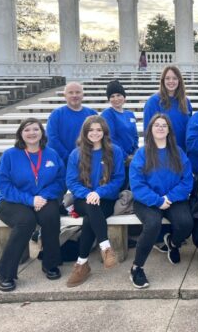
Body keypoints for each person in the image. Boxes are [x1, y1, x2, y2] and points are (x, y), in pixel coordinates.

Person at [0, 118, 66, 292]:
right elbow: (4, 186)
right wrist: (30, 200)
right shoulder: (9, 155)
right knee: (25, 222)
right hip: (10, 200)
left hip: (42, 198)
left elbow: (60, 181)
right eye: (27, 130)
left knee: (51, 216)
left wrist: (43, 196)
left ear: (42, 133)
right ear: (20, 134)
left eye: (36, 129)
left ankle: (50, 264)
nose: (32, 133)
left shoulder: (51, 154)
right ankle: (5, 272)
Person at [129, 114, 193, 289]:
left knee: (186, 223)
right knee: (152, 224)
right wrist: (157, 201)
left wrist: (169, 198)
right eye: (156, 125)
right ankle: (137, 267)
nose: (160, 128)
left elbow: (187, 181)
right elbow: (137, 184)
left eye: (164, 125)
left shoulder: (177, 152)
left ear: (169, 130)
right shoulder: (142, 154)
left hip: (173, 198)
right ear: (150, 129)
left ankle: (173, 243)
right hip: (148, 200)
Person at [65, 116, 125, 287]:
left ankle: (82, 263)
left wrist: (99, 192)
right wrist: (88, 194)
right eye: (91, 130)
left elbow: (118, 178)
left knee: (90, 219)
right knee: (91, 207)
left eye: (98, 130)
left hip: (105, 199)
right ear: (85, 132)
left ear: (104, 132)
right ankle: (106, 247)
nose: (95, 133)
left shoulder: (115, 151)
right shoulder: (76, 154)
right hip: (82, 200)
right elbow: (71, 181)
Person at [143, 66, 192, 152]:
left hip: (182, 152)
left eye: (174, 78)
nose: (171, 81)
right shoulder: (153, 102)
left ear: (179, 81)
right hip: (161, 153)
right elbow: (147, 131)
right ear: (163, 81)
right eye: (167, 78)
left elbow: (189, 128)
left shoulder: (185, 101)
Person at [46, 82, 97, 164]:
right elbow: (52, 139)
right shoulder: (56, 114)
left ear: (82, 95)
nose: (74, 95)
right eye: (70, 92)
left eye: (78, 92)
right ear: (65, 96)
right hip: (64, 162)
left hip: (89, 161)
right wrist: (69, 158)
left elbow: (99, 137)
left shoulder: (92, 113)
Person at [101, 80, 139, 162]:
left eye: (118, 95)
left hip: (132, 157)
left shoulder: (130, 114)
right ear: (109, 99)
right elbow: (110, 138)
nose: (116, 99)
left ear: (124, 96)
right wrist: (125, 157)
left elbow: (135, 136)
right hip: (116, 158)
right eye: (112, 96)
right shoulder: (107, 114)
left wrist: (135, 151)